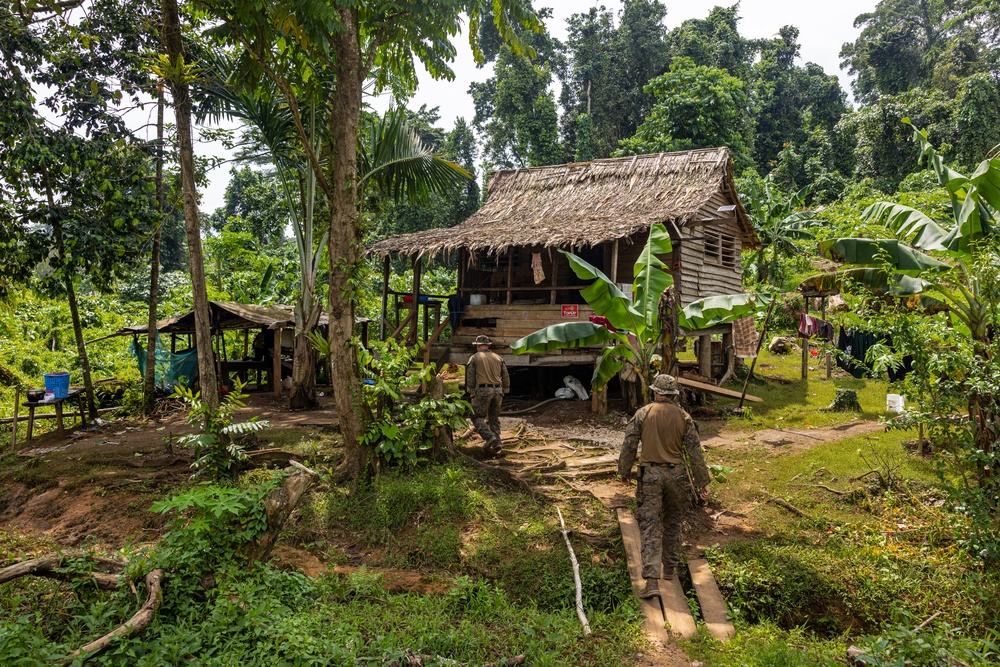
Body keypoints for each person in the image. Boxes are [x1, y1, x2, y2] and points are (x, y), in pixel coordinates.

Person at [618, 374, 711, 599]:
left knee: (650, 525)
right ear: (674, 394)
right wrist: (702, 483)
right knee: (673, 521)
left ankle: (651, 581)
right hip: (677, 477)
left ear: (655, 392)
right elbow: (695, 453)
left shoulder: (643, 413)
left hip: (650, 476)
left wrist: (624, 471)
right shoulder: (684, 417)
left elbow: (629, 444)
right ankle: (669, 569)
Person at [466, 335, 509, 457]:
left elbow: (470, 376)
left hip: (484, 389)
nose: (477, 347)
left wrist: (471, 392)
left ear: (478, 346)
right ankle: (497, 443)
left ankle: (489, 437)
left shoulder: (474, 358)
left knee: (476, 416)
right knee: (494, 418)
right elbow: (505, 375)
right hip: (498, 390)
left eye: (477, 345)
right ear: (488, 345)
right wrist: (505, 389)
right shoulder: (498, 357)